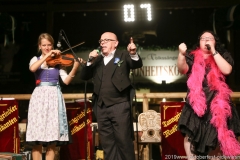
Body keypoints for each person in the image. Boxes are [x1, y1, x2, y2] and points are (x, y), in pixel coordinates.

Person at [177, 30, 240, 159]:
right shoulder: (192, 56)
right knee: (191, 134)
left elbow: (227, 70)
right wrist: (181, 54)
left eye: (209, 38)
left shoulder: (222, 55)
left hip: (218, 103)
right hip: (196, 103)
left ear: (215, 42)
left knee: (216, 139)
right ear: (199, 42)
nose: (206, 40)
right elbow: (182, 69)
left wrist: (214, 51)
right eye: (203, 38)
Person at [80, 32, 143, 160]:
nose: (102, 43)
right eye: (101, 40)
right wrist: (89, 61)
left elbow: (136, 64)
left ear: (116, 43)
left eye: (107, 40)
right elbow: (84, 76)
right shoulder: (97, 60)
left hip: (119, 105)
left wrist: (133, 53)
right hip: (101, 107)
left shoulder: (123, 55)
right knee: (108, 144)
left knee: (123, 141)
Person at [26, 33, 82, 160]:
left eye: (49, 45)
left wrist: (75, 67)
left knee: (52, 139)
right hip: (39, 98)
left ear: (52, 45)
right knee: (37, 139)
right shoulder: (35, 59)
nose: (47, 47)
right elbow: (33, 69)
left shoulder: (58, 62)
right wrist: (46, 56)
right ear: (40, 46)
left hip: (54, 97)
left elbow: (66, 81)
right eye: (44, 45)